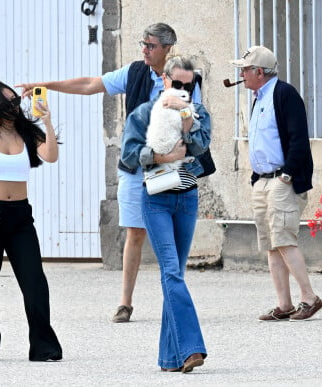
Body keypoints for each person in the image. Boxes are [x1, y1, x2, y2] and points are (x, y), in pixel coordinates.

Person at [16, 23, 201, 323]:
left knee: (171, 234)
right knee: (135, 232)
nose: (144, 49)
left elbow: (196, 121)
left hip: (168, 165)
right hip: (135, 166)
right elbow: (91, 85)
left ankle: (174, 299)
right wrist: (46, 84)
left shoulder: (187, 78)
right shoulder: (133, 72)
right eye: (143, 43)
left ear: (168, 48)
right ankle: (125, 303)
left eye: (151, 45)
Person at [0, 80, 62, 361]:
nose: (15, 107)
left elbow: (51, 156)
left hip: (20, 215)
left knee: (34, 281)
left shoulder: (27, 133)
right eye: (9, 102)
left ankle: (44, 346)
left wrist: (47, 121)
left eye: (16, 101)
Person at [120, 56, 209, 372]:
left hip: (186, 197)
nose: (184, 89)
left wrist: (186, 122)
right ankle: (191, 349)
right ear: (165, 81)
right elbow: (129, 156)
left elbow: (201, 146)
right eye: (178, 83)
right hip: (156, 199)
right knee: (171, 272)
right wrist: (160, 155)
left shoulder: (198, 113)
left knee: (176, 276)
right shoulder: (144, 113)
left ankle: (169, 358)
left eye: (189, 84)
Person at [231, 46, 322, 321]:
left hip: (282, 178)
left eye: (245, 69)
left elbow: (298, 139)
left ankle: (309, 297)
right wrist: (255, 177)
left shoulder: (284, 94)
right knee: (270, 243)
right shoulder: (259, 97)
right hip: (262, 180)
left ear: (259, 72)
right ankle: (284, 304)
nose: (241, 74)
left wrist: (288, 174)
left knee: (283, 238)